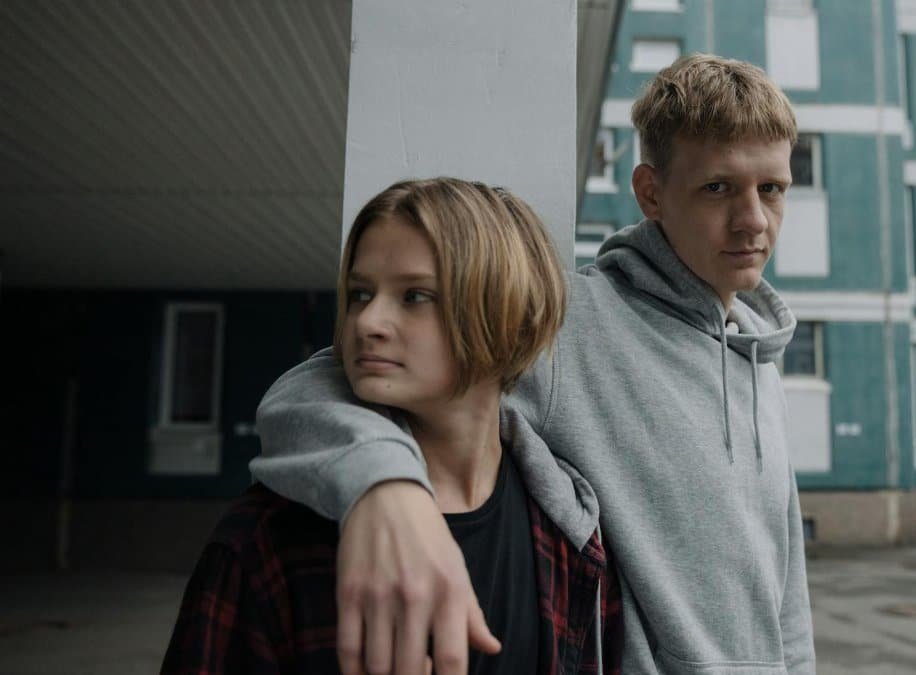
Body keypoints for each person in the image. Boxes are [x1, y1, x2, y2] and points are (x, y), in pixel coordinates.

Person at [252, 53, 816, 674]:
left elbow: (785, 596)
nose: (753, 220)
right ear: (651, 193)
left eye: (772, 189)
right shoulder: (577, 323)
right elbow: (317, 389)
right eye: (719, 188)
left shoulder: (760, 358)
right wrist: (383, 487)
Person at [162, 178, 622, 674]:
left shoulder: (570, 535)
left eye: (415, 296)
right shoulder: (266, 537)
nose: (367, 322)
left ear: (506, 312)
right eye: (360, 294)